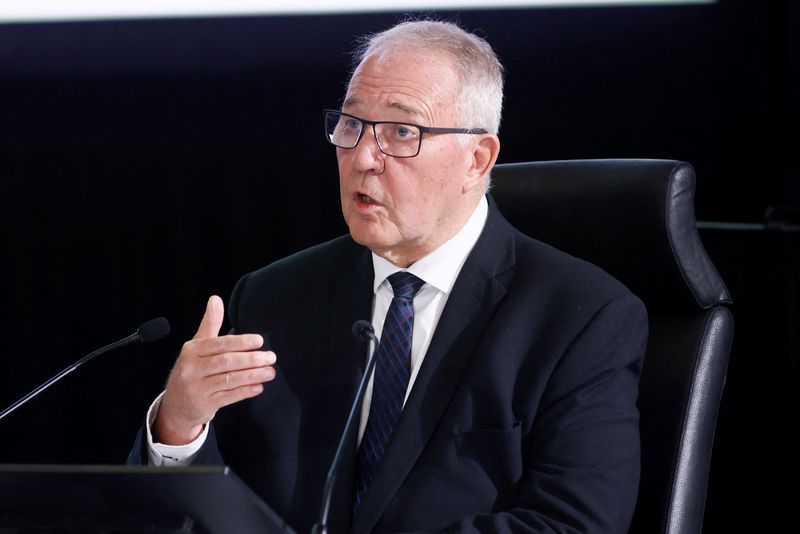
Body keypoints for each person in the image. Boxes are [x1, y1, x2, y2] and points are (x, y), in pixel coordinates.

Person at [129, 19, 647, 533]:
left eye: (402, 132)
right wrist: (179, 426)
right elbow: (196, 516)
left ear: (477, 159)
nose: (362, 158)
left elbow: (574, 523)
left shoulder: (581, 317)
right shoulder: (272, 298)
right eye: (351, 125)